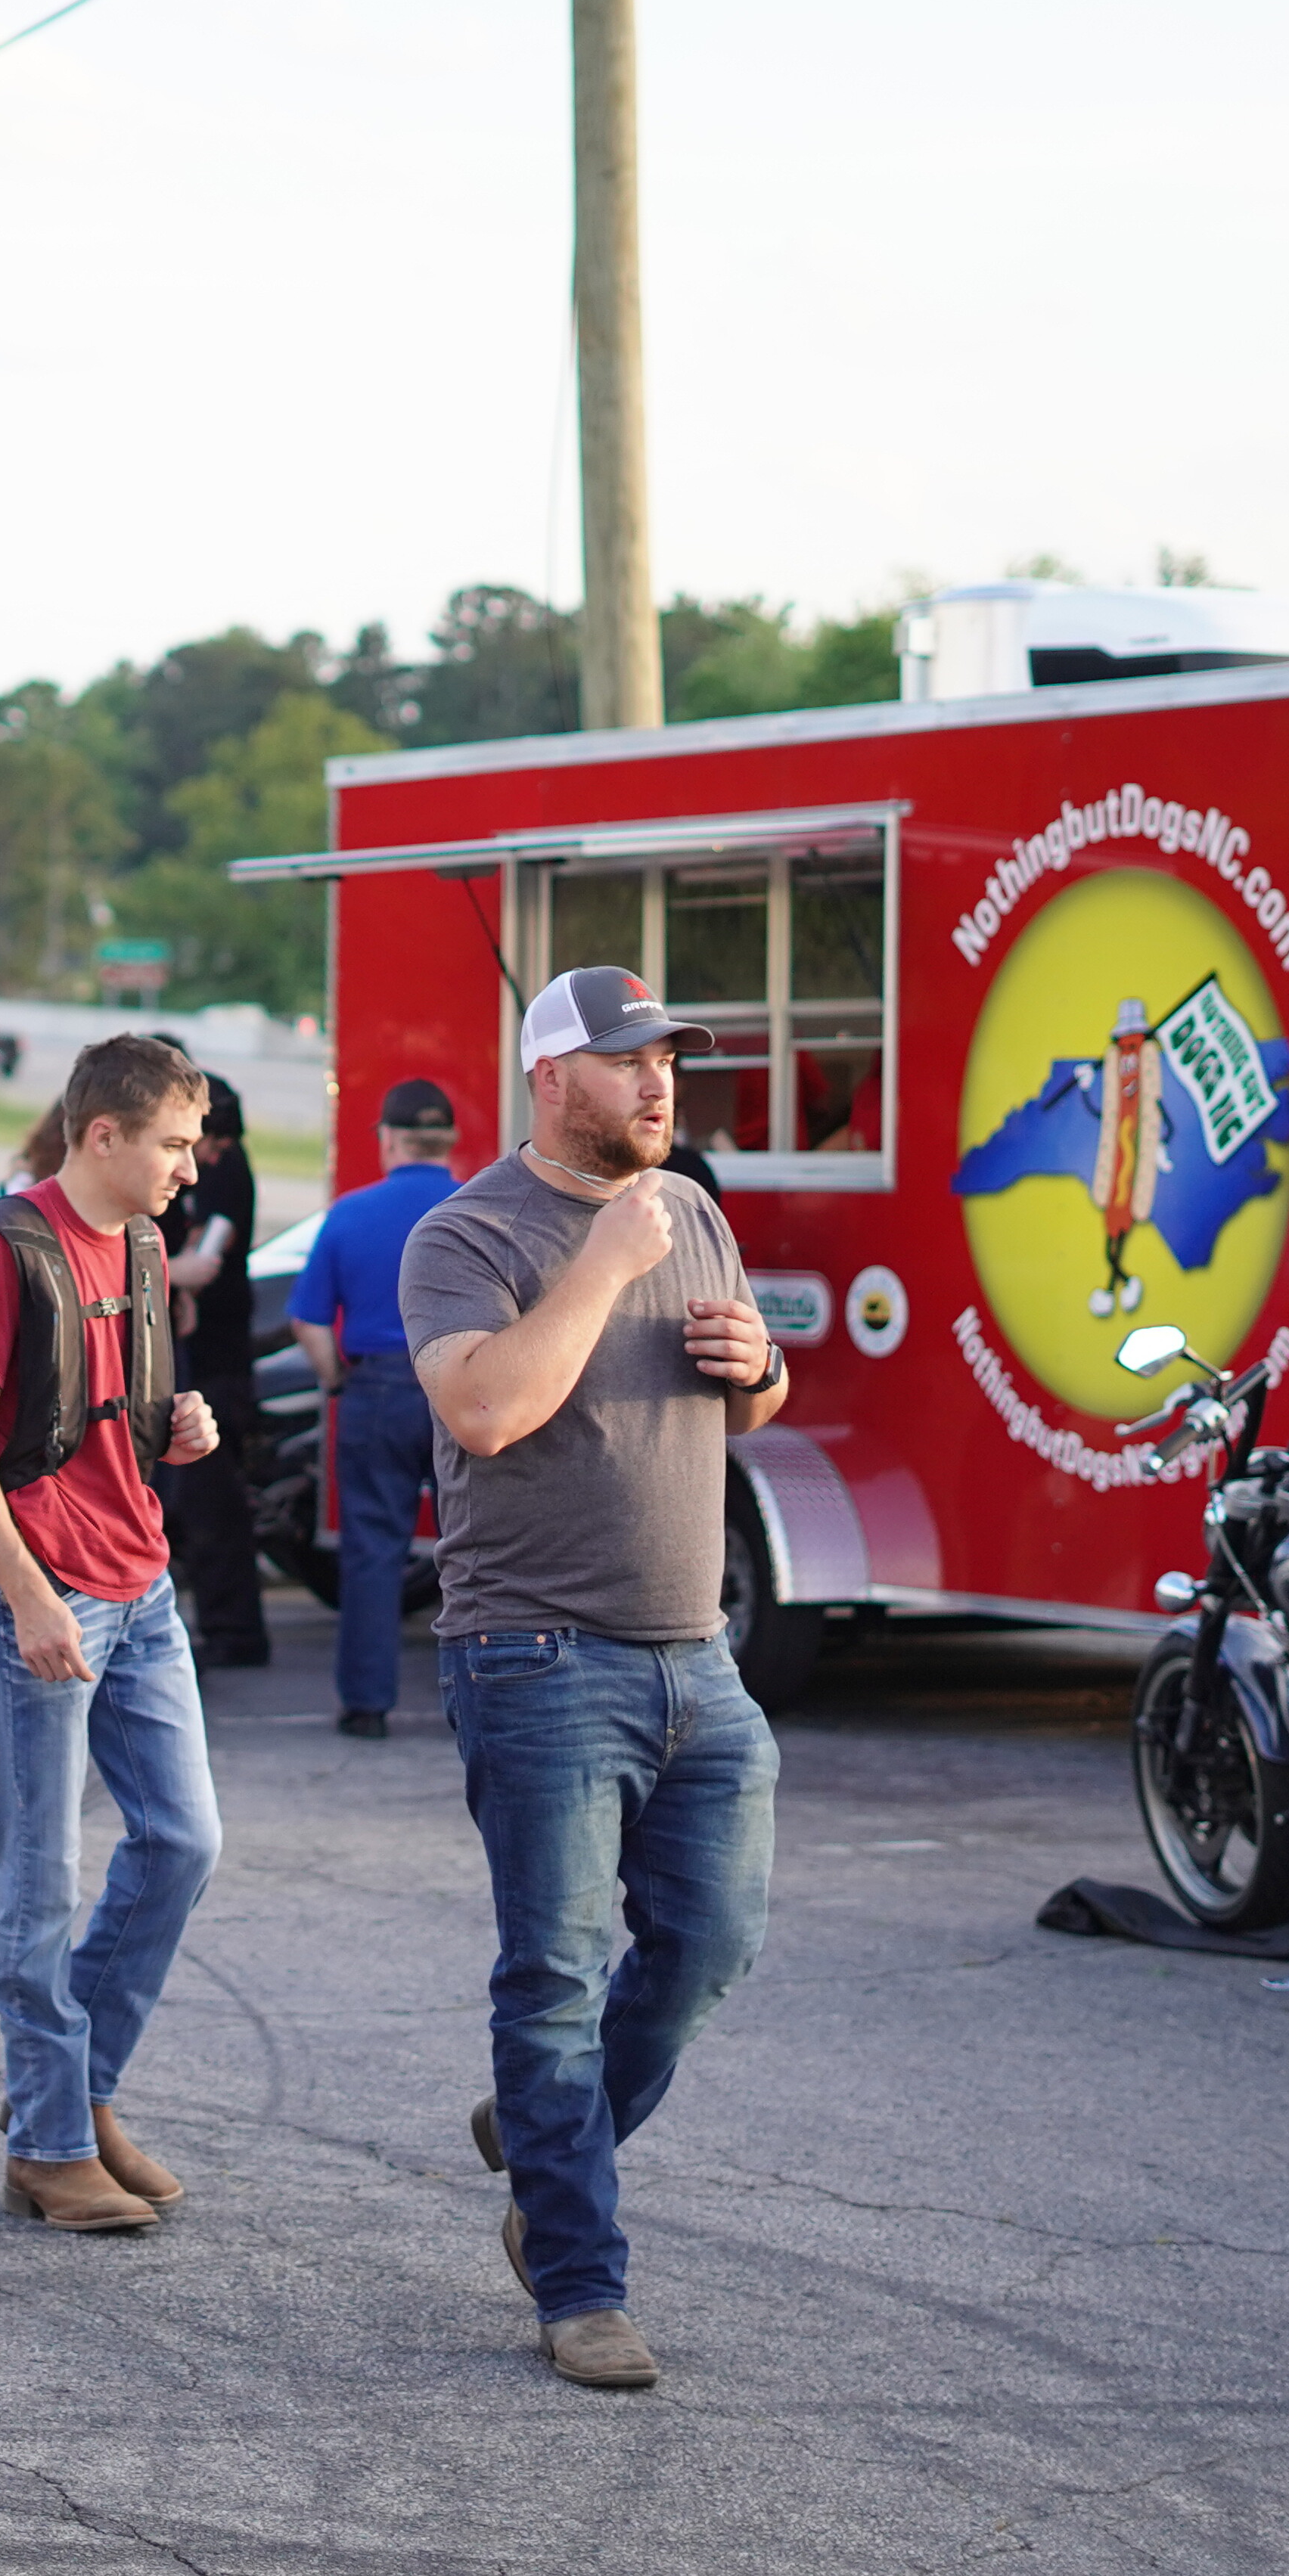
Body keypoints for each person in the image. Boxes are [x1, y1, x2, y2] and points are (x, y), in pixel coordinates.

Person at [405, 967, 793, 2394]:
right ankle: (579, 2282)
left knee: (710, 1945)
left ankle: (543, 2135)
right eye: (629, 1060)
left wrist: (761, 1364)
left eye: (669, 1059)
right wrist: (605, 1265)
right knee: (556, 1981)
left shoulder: (690, 1207)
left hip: (700, 1653)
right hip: (536, 1657)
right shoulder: (467, 1234)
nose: (659, 1082)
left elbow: (752, 1404)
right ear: (551, 1077)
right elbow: (487, 1410)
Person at [0, 1035, 225, 2235]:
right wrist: (27, 1594)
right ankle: (50, 2147)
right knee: (38, 1884)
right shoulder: (2, 1252)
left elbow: (111, 1414)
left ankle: (76, 2092)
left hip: (143, 1587)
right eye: (173, 1144)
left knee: (184, 1841)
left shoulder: (143, 1244)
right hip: (42, 1597)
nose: (189, 1169)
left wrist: (179, 1424)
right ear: (102, 1136)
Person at [289, 1079, 467, 1739]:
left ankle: (367, 1707)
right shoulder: (479, 1209)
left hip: (378, 1392)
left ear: (389, 1139)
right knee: (474, 1552)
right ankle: (479, 1699)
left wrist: (339, 1380)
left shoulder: (350, 1213)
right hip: (464, 1389)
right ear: (448, 1141)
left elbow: (308, 1321)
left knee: (371, 1550)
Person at [154, 1078, 268, 1668]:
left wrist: (163, 1274)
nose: (206, 1161)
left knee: (210, 1502)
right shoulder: (208, 1168)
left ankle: (232, 1633)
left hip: (213, 1362)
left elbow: (203, 1262)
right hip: (200, 1357)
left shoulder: (223, 1172)